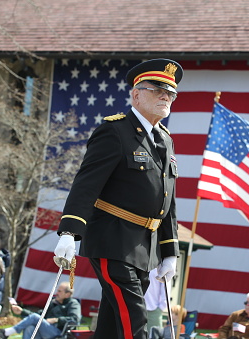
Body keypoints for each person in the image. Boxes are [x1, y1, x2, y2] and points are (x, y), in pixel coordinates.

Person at [53, 58, 184, 339]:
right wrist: (69, 232)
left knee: (113, 326)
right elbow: (86, 185)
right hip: (112, 241)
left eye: (170, 93)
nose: (166, 96)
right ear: (136, 94)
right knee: (134, 322)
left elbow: (167, 201)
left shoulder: (165, 139)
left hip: (144, 248)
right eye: (158, 89)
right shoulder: (114, 131)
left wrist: (170, 251)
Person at [0, 281, 81, 339]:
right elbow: (40, 315)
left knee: (35, 318)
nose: (56, 293)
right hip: (46, 329)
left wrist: (56, 319)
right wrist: (22, 311)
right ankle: (7, 333)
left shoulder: (73, 304)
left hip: (59, 332)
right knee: (30, 327)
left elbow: (74, 319)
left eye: (59, 291)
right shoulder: (53, 302)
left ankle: (7, 332)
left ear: (67, 294)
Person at [145, 268, 167, 333]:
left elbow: (165, 289)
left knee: (154, 336)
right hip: (138, 307)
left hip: (154, 310)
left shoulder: (160, 266)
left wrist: (160, 308)